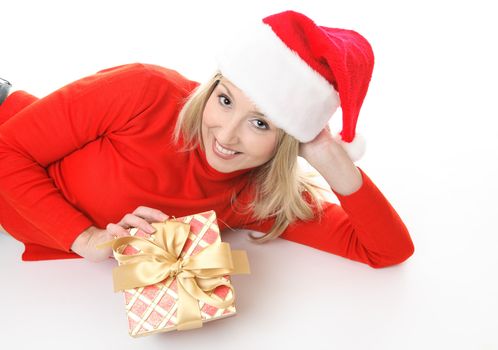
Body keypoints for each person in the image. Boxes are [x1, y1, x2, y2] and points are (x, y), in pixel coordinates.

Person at [0, 10, 414, 268]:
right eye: (225, 99)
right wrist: (84, 238)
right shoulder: (145, 91)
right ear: (212, 85)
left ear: (291, 140)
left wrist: (327, 154)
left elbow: (386, 251)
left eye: (262, 124)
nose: (227, 134)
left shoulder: (255, 199)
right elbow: (8, 151)